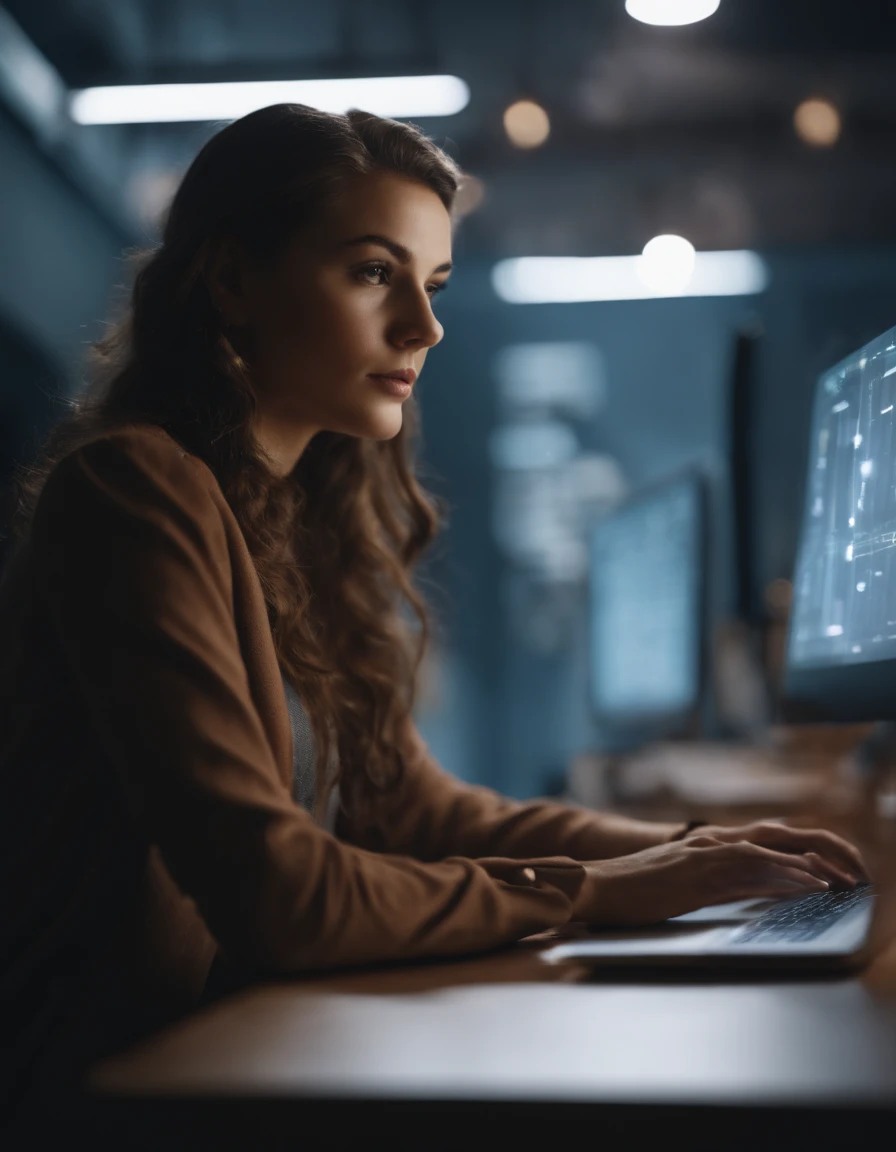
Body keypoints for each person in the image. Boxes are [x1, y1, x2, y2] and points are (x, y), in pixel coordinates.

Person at [0, 103, 866, 1134]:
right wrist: (595, 892)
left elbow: (415, 812)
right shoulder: (131, 491)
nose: (424, 324)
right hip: (104, 1088)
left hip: (227, 1050)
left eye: (434, 283)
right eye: (373, 272)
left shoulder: (294, 520)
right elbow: (279, 896)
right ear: (231, 282)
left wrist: (688, 850)